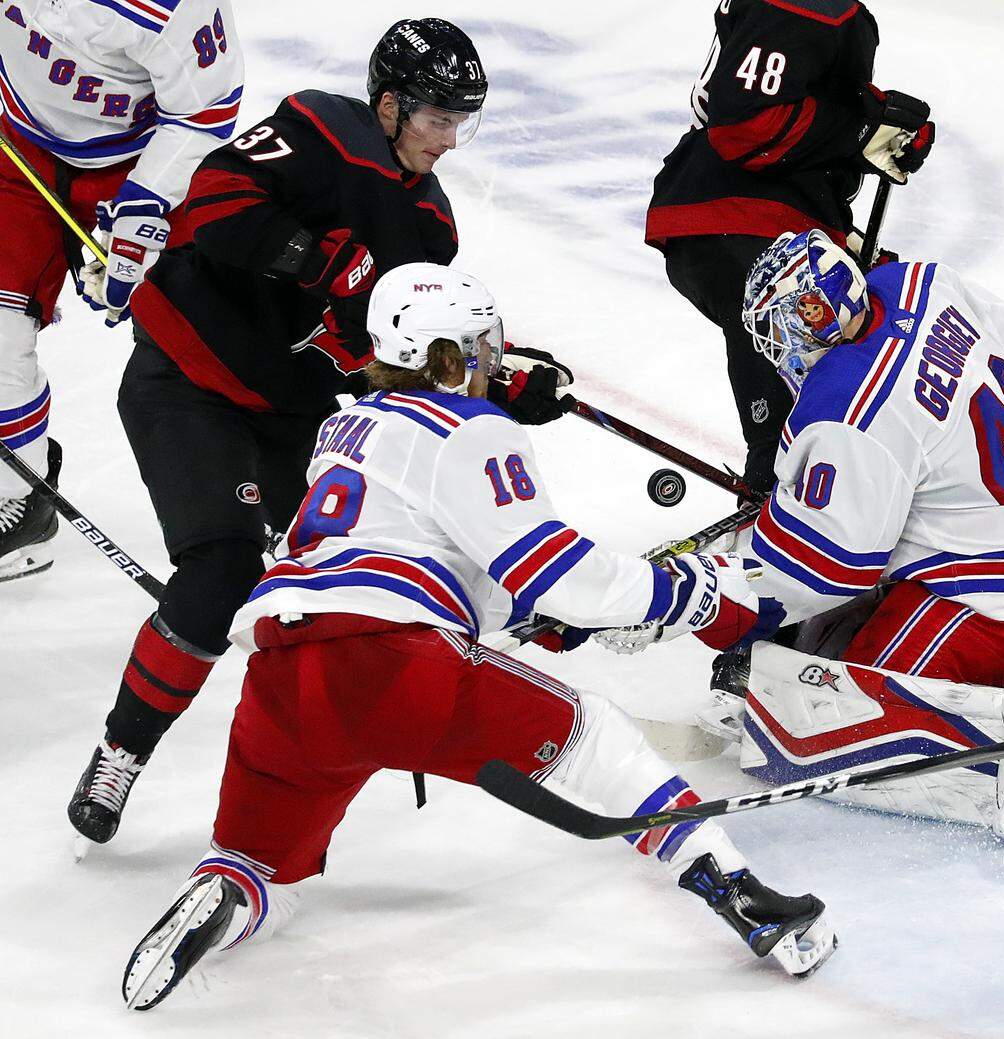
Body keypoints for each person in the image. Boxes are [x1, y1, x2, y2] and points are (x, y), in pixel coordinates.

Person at [119, 263, 833, 1011]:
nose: (496, 361)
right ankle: (745, 896)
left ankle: (226, 891)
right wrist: (694, 596)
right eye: (481, 346)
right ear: (448, 358)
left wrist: (526, 616)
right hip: (392, 663)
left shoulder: (345, 426)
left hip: (280, 681)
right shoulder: (469, 426)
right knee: (597, 739)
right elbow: (559, 570)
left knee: (261, 868)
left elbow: (427, 557)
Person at [66, 17, 569, 847]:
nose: (447, 142)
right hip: (188, 378)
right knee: (222, 567)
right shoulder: (317, 129)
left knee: (366, 569)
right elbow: (214, 207)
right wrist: (319, 256)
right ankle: (122, 749)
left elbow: (401, 349)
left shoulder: (432, 227)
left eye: (459, 123)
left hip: (294, 413)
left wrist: (503, 381)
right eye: (436, 119)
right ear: (387, 104)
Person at [648, 228, 1004, 843]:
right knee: (847, 616)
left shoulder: (842, 409)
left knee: (835, 715)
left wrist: (691, 600)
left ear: (811, 317)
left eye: (778, 329)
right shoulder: (920, 282)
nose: (776, 349)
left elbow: (817, 572)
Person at [646, 0, 934, 499]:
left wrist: (882, 120)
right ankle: (781, 492)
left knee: (886, 319)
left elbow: (802, 91)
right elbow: (743, 126)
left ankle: (828, 490)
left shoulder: (836, 12)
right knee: (803, 316)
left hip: (777, 214)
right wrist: (862, 128)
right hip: (737, 210)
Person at [0, 0, 244, 580]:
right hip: (15, 148)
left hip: (136, 161)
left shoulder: (176, 7)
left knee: (207, 339)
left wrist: (147, 201)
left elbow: (206, 112)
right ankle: (20, 498)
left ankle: (254, 505)